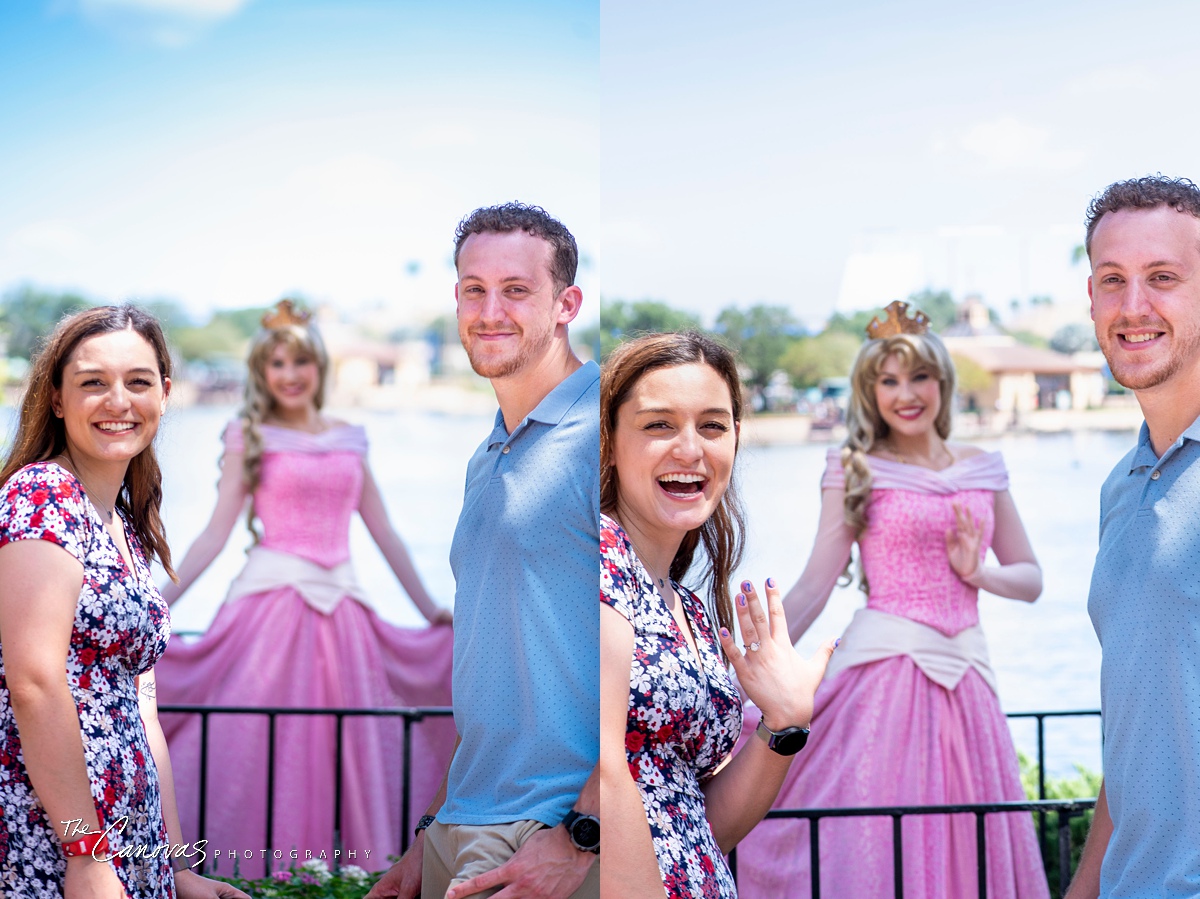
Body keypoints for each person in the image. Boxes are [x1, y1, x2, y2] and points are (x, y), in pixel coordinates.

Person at [737, 301, 1049, 898]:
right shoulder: (855, 468)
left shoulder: (984, 467)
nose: (906, 394)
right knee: (877, 844)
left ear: (942, 383)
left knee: (968, 844)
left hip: (969, 682)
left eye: (919, 377)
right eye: (888, 381)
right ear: (870, 390)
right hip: (884, 679)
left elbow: (1031, 578)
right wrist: (749, 669)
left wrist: (976, 573)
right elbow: (816, 584)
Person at [154, 300, 455, 878]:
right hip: (268, 609)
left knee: (348, 747)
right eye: (277, 364)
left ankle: (349, 875)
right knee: (254, 744)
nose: (290, 374)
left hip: (344, 613)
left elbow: (384, 530)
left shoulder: (352, 437)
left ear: (320, 367)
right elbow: (215, 535)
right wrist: (152, 606)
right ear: (262, 374)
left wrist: (428, 608)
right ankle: (242, 872)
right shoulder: (247, 434)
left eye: (301, 362)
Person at [367, 203, 600, 899]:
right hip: (464, 830)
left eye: (517, 289)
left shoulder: (608, 434)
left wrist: (582, 834)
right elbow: (490, 666)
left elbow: (656, 661)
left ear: (567, 304)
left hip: (552, 837)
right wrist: (433, 829)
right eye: (474, 288)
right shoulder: (486, 455)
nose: (489, 309)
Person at [0, 305, 247, 899]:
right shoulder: (43, 495)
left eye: (137, 382)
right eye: (92, 382)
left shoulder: (126, 527)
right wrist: (84, 852)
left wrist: (179, 866)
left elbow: (143, 709)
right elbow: (33, 682)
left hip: (126, 846)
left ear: (164, 395)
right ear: (57, 399)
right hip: (52, 836)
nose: (118, 401)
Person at [599, 331, 836, 898]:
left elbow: (699, 824)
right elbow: (602, 773)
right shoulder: (594, 557)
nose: (690, 449)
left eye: (711, 425)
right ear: (607, 441)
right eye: (658, 425)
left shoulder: (692, 610)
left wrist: (783, 726)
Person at [1064, 176, 1200, 898]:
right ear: (1091, 301)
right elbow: (1137, 736)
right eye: (1113, 280)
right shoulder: (1122, 487)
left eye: (1164, 278)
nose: (1134, 305)